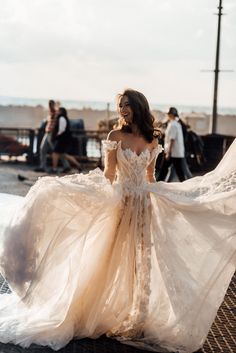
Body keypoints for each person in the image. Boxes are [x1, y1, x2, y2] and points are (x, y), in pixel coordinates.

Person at [0, 89, 235, 353]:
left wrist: (166, 196)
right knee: (113, 257)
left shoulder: (153, 139)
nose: (122, 109)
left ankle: (138, 315)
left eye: (126, 105)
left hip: (144, 206)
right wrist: (85, 191)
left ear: (137, 106)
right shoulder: (114, 136)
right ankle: (108, 310)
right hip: (121, 205)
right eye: (119, 105)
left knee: (142, 261)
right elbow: (109, 175)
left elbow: (150, 177)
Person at [35, 100, 71, 173]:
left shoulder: (55, 112)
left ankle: (66, 165)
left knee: (56, 151)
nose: (49, 106)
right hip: (47, 133)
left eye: (51, 104)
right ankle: (43, 166)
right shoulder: (50, 113)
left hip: (52, 134)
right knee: (43, 149)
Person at [157, 107, 187, 182]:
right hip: (176, 152)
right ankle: (159, 182)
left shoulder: (173, 125)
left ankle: (158, 183)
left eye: (168, 114)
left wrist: (168, 152)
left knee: (165, 169)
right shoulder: (177, 124)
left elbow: (172, 139)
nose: (167, 115)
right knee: (179, 171)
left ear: (171, 115)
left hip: (172, 152)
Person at [50, 107, 82, 173]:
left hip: (61, 139)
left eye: (58, 111)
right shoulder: (63, 118)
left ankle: (54, 169)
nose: (57, 112)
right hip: (64, 139)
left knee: (55, 154)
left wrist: (56, 136)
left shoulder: (61, 118)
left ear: (61, 111)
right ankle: (78, 165)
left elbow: (62, 129)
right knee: (63, 154)